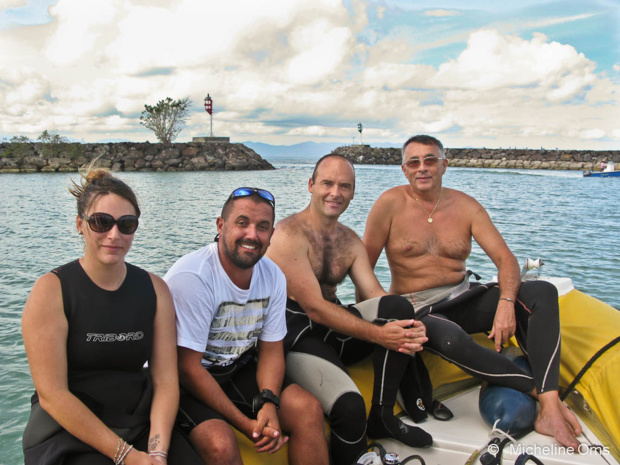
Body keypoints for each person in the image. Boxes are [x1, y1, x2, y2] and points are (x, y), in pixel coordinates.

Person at [363, 134, 582, 448]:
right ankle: (544, 395)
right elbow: (363, 269)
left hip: (463, 295)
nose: (422, 168)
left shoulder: (465, 205)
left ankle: (548, 406)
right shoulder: (389, 204)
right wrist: (380, 323)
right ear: (404, 170)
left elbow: (505, 260)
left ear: (444, 165)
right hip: (419, 307)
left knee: (543, 291)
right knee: (452, 338)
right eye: (414, 162)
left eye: (430, 160)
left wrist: (506, 302)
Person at [21, 169, 202, 465]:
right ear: (80, 224)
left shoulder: (155, 290)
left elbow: (166, 380)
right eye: (101, 222)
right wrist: (127, 456)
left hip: (136, 420)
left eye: (126, 224)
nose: (114, 234)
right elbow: (52, 394)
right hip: (69, 429)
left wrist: (157, 453)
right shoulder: (51, 290)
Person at [265, 155, 432, 465]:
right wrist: (381, 336)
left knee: (399, 306)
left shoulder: (349, 240)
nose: (335, 192)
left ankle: (382, 414)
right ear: (311, 185)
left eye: (345, 186)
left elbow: (376, 295)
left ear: (353, 192)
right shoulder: (289, 235)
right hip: (299, 336)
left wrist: (411, 323)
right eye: (327, 183)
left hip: (336, 330)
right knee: (350, 407)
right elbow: (314, 308)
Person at [164, 187, 328, 465]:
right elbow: (188, 368)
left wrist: (268, 402)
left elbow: (271, 350)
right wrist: (244, 423)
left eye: (262, 227)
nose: (252, 235)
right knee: (220, 444)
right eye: (242, 223)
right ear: (221, 225)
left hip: (235, 367)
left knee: (307, 410)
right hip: (183, 379)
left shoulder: (272, 275)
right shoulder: (194, 277)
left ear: (272, 235)